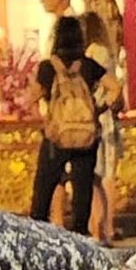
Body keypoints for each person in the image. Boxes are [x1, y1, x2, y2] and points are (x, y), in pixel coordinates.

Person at [31, 13, 106, 235]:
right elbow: (114, 87)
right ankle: (80, 232)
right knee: (83, 186)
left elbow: (33, 96)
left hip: (57, 136)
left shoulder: (48, 67)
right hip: (86, 135)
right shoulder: (88, 66)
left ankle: (38, 231)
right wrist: (99, 108)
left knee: (45, 184)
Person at [79, 10, 124, 242]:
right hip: (100, 117)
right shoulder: (102, 51)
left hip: (99, 119)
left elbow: (110, 86)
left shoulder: (95, 53)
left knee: (102, 174)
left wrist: (99, 106)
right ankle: (101, 225)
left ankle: (104, 225)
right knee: (98, 174)